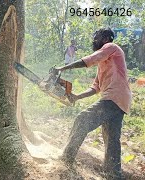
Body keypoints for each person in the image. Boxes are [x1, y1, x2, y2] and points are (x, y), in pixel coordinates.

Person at [56, 28, 132, 179]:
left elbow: (90, 59)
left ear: (105, 38)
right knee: (111, 139)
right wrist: (77, 96)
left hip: (114, 98)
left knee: (82, 119)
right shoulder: (105, 61)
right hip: (120, 100)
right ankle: (114, 175)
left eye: (96, 37)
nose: (93, 40)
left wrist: (62, 68)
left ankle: (66, 158)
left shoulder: (111, 47)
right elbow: (96, 87)